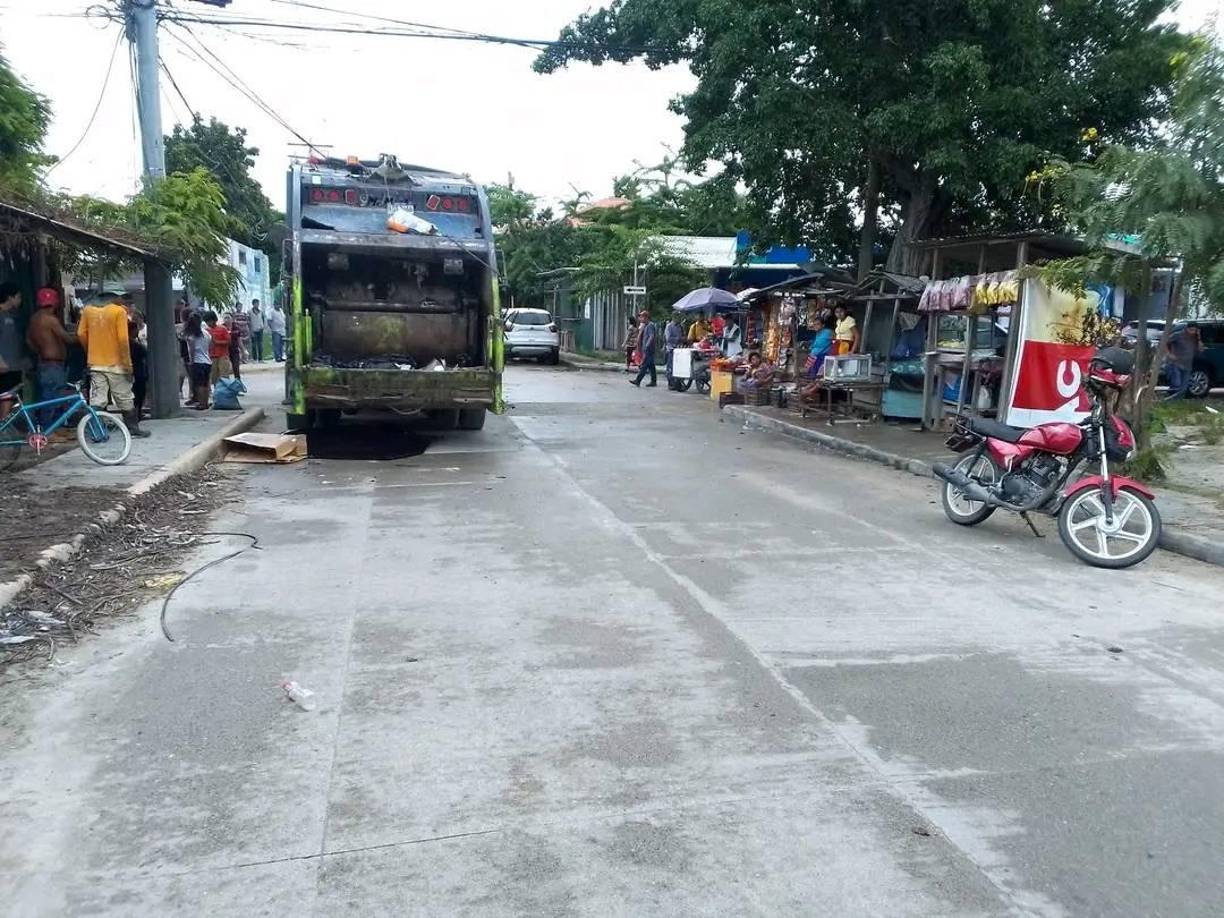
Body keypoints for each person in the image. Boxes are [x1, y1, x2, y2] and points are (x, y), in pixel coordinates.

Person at [77, 290, 149, 438]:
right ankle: (132, 427)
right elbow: (123, 340)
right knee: (124, 396)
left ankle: (96, 430)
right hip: (117, 364)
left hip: (95, 363)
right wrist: (127, 364)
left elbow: (81, 334)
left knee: (98, 398)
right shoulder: (119, 311)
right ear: (114, 297)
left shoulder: (88, 311)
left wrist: (90, 350)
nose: (124, 301)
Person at [26, 287, 76, 429]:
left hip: (44, 363)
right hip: (53, 365)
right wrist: (83, 336)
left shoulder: (34, 319)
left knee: (48, 397)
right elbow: (67, 338)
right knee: (51, 399)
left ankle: (50, 428)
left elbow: (28, 341)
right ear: (55, 303)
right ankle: (48, 430)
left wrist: (40, 350)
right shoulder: (50, 320)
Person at [0, 281, 28, 401]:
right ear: (10, 297)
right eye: (18, 297)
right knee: (6, 401)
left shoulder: (12, 315)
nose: (20, 300)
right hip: (4, 368)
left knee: (13, 402)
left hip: (14, 367)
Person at [1165, 323, 1204, 399]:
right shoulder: (1178, 335)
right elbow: (1164, 343)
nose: (1192, 332)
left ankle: (1178, 402)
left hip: (1187, 364)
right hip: (1176, 363)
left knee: (1184, 387)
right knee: (1176, 384)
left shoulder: (1195, 338)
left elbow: (1201, 349)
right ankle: (1170, 400)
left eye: (1194, 330)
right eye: (1191, 330)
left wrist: (1199, 337)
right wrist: (1169, 354)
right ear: (1186, 328)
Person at [183, 311, 212, 410]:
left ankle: (201, 403)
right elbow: (210, 345)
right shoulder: (206, 333)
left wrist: (191, 362)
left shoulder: (191, 336)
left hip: (197, 361)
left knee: (199, 384)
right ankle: (205, 402)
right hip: (207, 361)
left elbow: (192, 351)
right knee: (205, 383)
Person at [128, 311, 149, 420]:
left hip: (133, 372)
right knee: (139, 394)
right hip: (138, 372)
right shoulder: (135, 344)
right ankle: (137, 414)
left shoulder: (128, 343)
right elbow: (145, 353)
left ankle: (136, 413)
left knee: (135, 394)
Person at [630, 310, 658, 387]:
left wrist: (647, 345)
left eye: (641, 317)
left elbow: (651, 336)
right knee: (651, 366)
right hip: (648, 349)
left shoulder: (650, 325)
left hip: (648, 349)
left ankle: (638, 380)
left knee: (644, 365)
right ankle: (653, 381)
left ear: (646, 317)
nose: (640, 319)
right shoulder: (646, 326)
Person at [205, 311, 232, 383]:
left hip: (223, 355)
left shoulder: (222, 329)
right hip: (212, 356)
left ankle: (225, 390)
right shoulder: (206, 331)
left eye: (209, 321)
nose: (208, 323)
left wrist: (217, 342)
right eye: (207, 322)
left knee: (224, 375)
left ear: (214, 320)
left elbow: (228, 341)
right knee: (213, 376)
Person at [664, 313, 684, 380]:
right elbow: (668, 338)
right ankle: (670, 382)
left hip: (678, 349)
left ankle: (676, 381)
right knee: (670, 366)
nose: (679, 319)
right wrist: (678, 338)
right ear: (674, 317)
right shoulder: (669, 326)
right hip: (671, 349)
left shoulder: (680, 326)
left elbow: (681, 336)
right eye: (678, 317)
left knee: (677, 367)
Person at [225, 313, 243, 381]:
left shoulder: (236, 328)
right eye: (225, 318)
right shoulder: (222, 328)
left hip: (234, 350)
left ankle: (238, 382)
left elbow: (239, 340)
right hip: (225, 351)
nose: (226, 320)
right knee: (225, 369)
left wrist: (243, 351)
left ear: (232, 319)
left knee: (236, 367)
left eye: (228, 318)